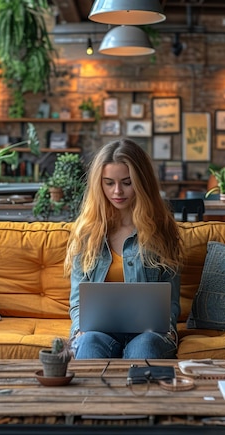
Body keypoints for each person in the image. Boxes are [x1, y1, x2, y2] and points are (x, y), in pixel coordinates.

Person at [65, 139, 183, 359]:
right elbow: (78, 300)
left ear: (142, 182)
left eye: (127, 182)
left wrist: (169, 329)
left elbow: (170, 299)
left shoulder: (162, 230)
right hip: (98, 332)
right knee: (88, 344)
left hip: (149, 333)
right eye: (109, 183)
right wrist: (79, 330)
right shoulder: (88, 232)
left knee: (144, 347)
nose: (117, 191)